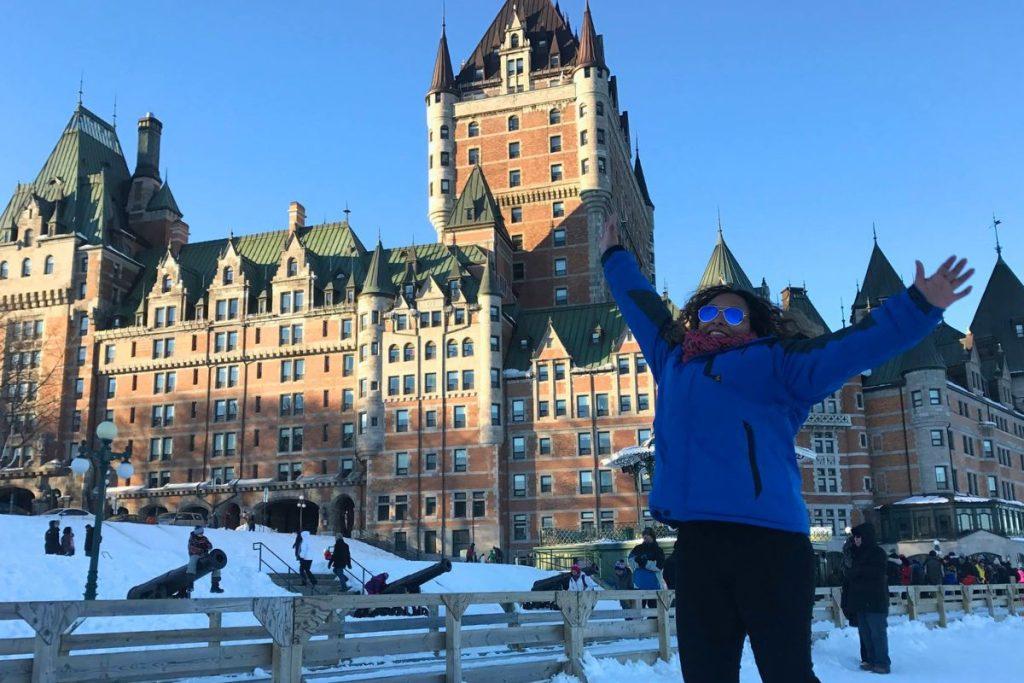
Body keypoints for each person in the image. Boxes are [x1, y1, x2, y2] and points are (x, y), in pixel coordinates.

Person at [599, 212, 971, 683]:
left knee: (787, 673)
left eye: (733, 314)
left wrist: (917, 306)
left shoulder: (778, 364)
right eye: (708, 314)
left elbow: (851, 348)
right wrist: (613, 256)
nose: (718, 322)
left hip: (770, 546)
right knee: (705, 675)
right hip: (698, 546)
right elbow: (642, 306)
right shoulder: (675, 360)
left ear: (752, 325)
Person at [846, 523, 890, 674]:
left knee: (877, 633)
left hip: (875, 600)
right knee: (865, 633)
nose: (856, 540)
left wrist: (856, 572)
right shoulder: (855, 554)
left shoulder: (877, 553)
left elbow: (876, 574)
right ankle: (871, 660)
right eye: (855, 537)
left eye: (858, 537)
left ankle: (882, 662)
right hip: (860, 600)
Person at [187, 526, 224, 593]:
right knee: (192, 563)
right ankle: (190, 584)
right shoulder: (192, 538)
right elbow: (192, 549)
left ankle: (215, 586)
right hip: (195, 555)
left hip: (204, 555)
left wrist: (207, 546)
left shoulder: (204, 538)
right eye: (200, 532)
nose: (201, 534)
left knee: (216, 565)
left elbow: (210, 546)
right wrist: (202, 549)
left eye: (202, 532)